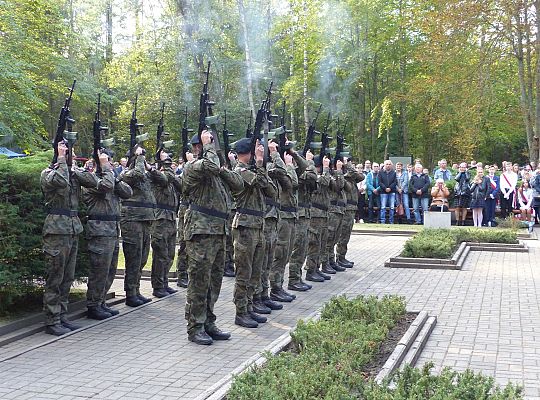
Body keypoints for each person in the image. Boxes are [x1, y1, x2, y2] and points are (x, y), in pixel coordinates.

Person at [183, 130, 243, 345]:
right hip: (201, 231)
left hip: (219, 231)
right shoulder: (194, 167)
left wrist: (224, 167)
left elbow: (239, 185)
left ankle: (208, 321)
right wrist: (208, 145)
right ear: (198, 147)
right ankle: (195, 327)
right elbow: (208, 165)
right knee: (199, 281)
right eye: (209, 144)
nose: (215, 147)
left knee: (214, 281)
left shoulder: (216, 171)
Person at [41, 142, 101, 335]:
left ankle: (62, 316)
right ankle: (52, 320)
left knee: (67, 277)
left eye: (71, 154)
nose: (71, 156)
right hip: (57, 231)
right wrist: (61, 160)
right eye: (69, 154)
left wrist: (73, 168)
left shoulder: (72, 174)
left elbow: (92, 181)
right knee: (55, 277)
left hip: (72, 229)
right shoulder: (49, 173)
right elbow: (59, 181)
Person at [83, 150, 132, 320]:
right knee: (99, 269)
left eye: (109, 161)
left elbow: (127, 192)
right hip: (99, 229)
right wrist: (105, 168)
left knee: (110, 269)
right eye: (106, 161)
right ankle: (93, 305)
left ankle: (101, 301)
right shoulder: (91, 179)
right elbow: (106, 186)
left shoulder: (110, 178)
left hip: (111, 229)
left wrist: (114, 176)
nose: (110, 164)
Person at [232, 138, 272, 328]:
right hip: (245, 227)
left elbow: (270, 190)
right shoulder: (239, 170)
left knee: (255, 272)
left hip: (257, 225)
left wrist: (259, 165)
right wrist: (259, 162)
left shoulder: (252, 170)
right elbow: (260, 182)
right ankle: (240, 312)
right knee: (244, 272)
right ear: (247, 153)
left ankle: (249, 307)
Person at [119, 146, 157, 307]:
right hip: (132, 219)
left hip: (145, 219)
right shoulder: (127, 174)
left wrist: (150, 166)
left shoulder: (144, 173)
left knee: (142, 257)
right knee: (133, 258)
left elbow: (161, 179)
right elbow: (138, 174)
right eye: (141, 158)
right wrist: (139, 159)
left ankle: (136, 290)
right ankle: (130, 293)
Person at [149, 151, 182, 298]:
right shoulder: (158, 177)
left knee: (169, 254)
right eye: (167, 164)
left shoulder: (171, 178)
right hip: (160, 219)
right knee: (160, 254)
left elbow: (182, 185)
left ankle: (164, 282)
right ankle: (157, 286)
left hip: (170, 218)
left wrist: (172, 174)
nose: (171, 167)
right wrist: (165, 165)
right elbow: (164, 178)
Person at [288, 149, 317, 292]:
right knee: (297, 249)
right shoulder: (294, 172)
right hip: (299, 215)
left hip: (305, 215)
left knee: (303, 248)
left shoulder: (302, 173)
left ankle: (297, 278)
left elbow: (313, 177)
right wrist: (309, 160)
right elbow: (310, 172)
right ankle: (293, 279)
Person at [305, 156, 332, 283]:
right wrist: (326, 168)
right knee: (314, 244)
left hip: (323, 214)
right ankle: (310, 270)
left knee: (321, 243)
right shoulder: (314, 178)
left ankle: (316, 268)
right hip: (315, 214)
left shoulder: (320, 176)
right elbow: (325, 181)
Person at [336, 158, 363, 268]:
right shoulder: (344, 176)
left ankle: (342, 256)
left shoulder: (352, 176)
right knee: (343, 234)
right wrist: (347, 166)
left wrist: (348, 166)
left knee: (346, 235)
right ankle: (339, 257)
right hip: (346, 208)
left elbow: (361, 177)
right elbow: (351, 173)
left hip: (351, 208)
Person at [379, 160, 397, 224]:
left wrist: (390, 188)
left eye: (389, 164)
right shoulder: (380, 172)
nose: (388, 165)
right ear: (384, 165)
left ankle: (391, 221)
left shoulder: (394, 173)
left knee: (392, 207)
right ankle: (382, 221)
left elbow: (395, 182)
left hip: (392, 191)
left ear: (391, 165)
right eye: (387, 164)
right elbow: (380, 182)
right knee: (383, 207)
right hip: (383, 192)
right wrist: (385, 188)